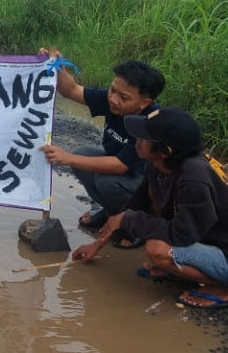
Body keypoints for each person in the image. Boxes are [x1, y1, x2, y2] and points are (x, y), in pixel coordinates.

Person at [73, 107, 228, 309]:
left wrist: (130, 220)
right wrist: (97, 244)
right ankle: (188, 270)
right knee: (154, 234)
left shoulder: (194, 175)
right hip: (209, 238)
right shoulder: (159, 162)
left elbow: (183, 233)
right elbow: (137, 203)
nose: (137, 139)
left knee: (158, 250)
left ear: (166, 151)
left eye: (144, 137)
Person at [40, 51, 165, 244]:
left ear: (144, 103)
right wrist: (57, 66)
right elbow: (71, 90)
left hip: (150, 187)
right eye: (112, 90)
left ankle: (135, 228)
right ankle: (110, 213)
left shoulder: (149, 122)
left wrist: (66, 158)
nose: (114, 99)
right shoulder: (113, 101)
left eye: (123, 97)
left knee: (107, 181)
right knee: (83, 155)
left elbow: (120, 166)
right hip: (125, 173)